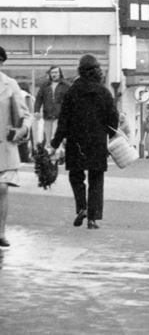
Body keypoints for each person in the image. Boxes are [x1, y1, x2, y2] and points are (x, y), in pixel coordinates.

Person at [49, 54, 118, 229]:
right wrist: (111, 136)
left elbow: (63, 121)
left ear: (80, 70)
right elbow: (113, 117)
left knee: (76, 176)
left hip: (76, 142)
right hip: (97, 141)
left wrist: (55, 143)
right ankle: (93, 219)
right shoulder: (104, 92)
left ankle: (82, 207)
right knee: (96, 179)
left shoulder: (72, 91)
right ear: (97, 71)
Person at [0, 46, 31, 247]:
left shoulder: (10, 84)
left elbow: (25, 115)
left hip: (4, 146)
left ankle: (0, 232)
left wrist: (20, 131)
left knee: (1, 189)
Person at [34, 66, 70, 149]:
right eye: (52, 72)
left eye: (56, 72)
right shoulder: (45, 85)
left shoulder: (66, 85)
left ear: (60, 73)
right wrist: (36, 110)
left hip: (60, 116)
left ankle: (57, 156)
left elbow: (71, 100)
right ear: (50, 74)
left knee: (57, 137)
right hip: (48, 115)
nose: (54, 74)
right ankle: (49, 157)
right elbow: (39, 98)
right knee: (48, 139)